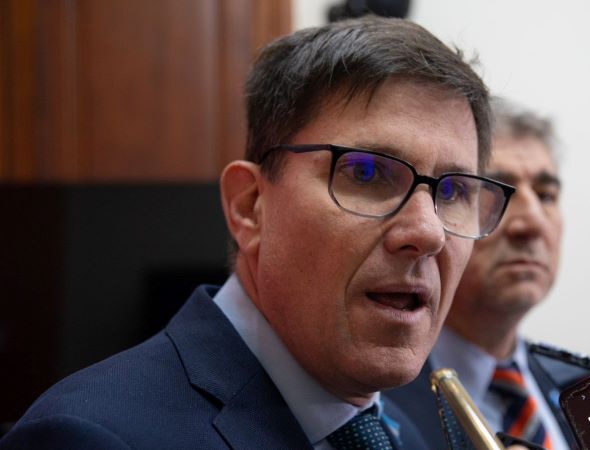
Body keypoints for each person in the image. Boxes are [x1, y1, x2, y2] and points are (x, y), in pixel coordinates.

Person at [0, 17, 516, 449]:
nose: (427, 231)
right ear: (250, 207)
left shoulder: (418, 430)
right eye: (365, 173)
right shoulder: (89, 437)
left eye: (454, 190)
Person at [386, 97, 590, 450]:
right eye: (497, 193)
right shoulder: (373, 395)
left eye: (546, 196)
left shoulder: (584, 387)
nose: (532, 223)